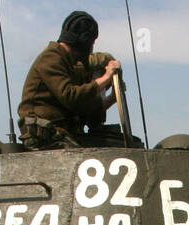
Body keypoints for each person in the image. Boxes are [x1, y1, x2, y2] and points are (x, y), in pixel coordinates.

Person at [17, 10, 122, 148]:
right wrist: (106, 78)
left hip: (61, 134)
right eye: (92, 42)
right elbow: (70, 96)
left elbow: (85, 111)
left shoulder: (70, 63)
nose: (91, 48)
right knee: (84, 158)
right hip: (44, 136)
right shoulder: (51, 57)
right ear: (83, 41)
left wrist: (113, 98)